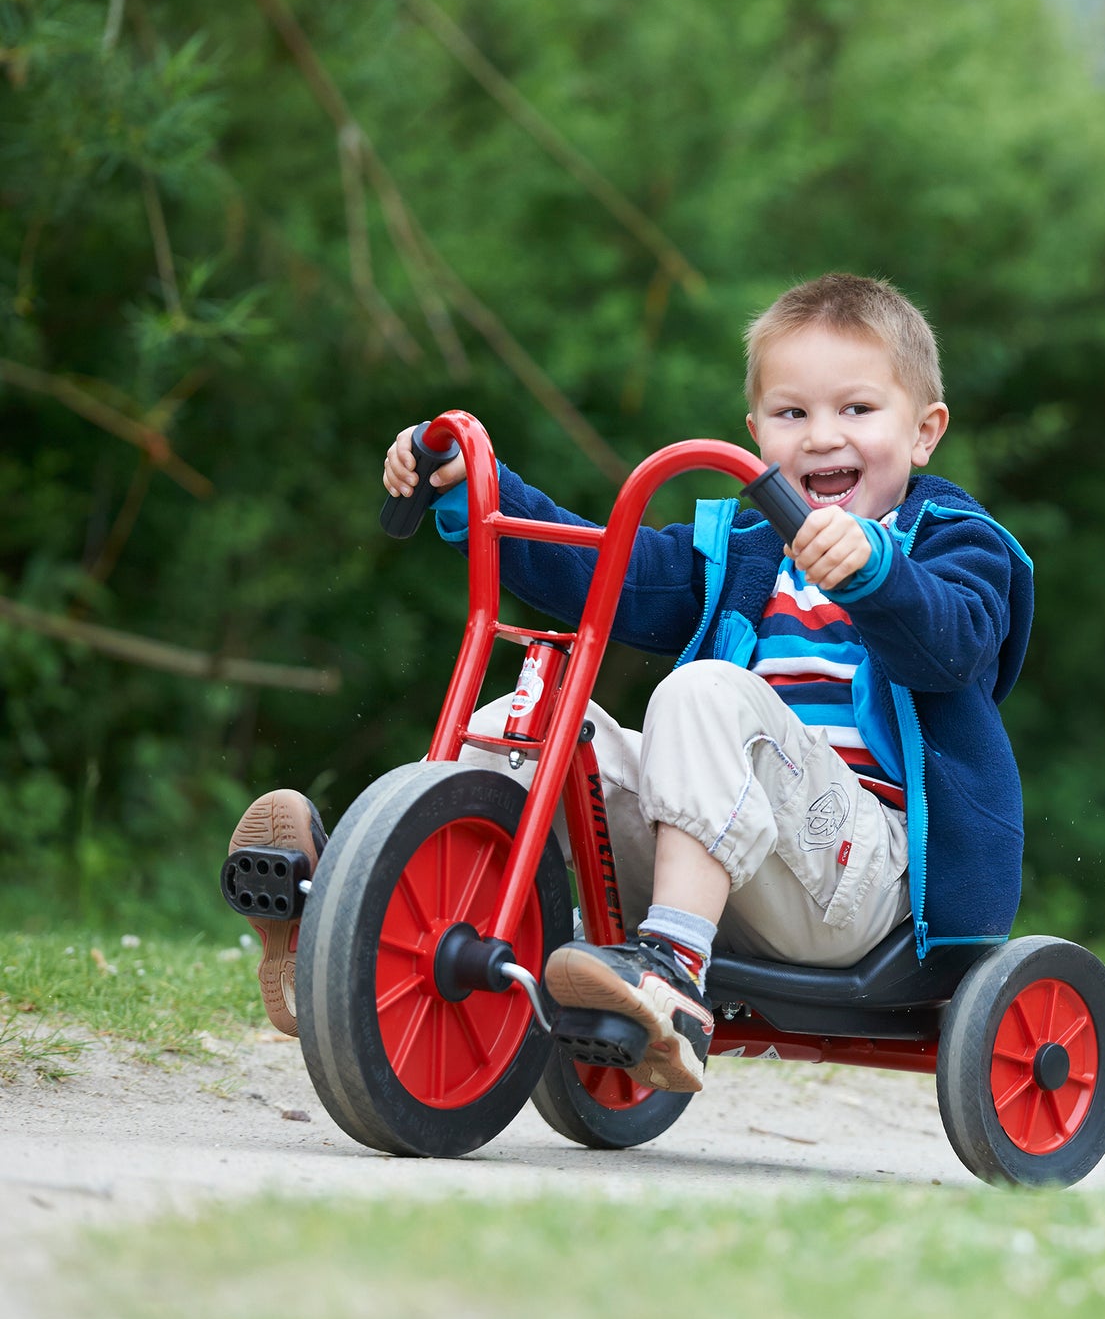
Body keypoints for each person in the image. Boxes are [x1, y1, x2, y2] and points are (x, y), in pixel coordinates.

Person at [229, 273, 1033, 1094]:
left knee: (703, 690)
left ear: (924, 430)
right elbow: (601, 569)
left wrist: (877, 573)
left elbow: (955, 646)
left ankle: (672, 972)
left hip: (863, 891)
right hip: (733, 866)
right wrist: (481, 490)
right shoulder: (742, 552)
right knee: (529, 715)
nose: (823, 437)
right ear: (756, 435)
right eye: (793, 414)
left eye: (856, 410)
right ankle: (356, 907)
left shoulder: (955, 548)